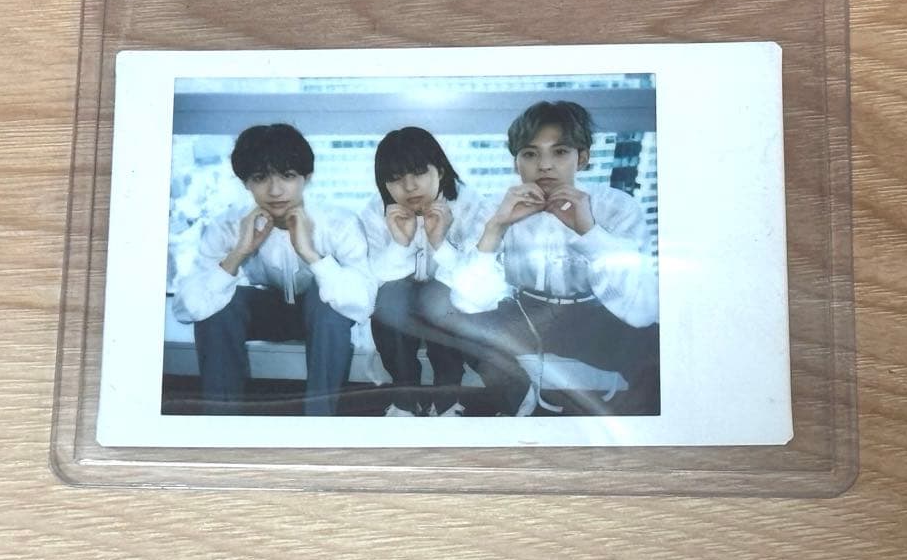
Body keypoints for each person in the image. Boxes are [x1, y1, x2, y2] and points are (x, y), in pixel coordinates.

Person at [421, 100, 660, 416]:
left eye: (559, 152)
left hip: (593, 315)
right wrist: (496, 228)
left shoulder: (617, 207)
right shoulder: (496, 207)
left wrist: (589, 232)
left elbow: (642, 311)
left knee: (656, 343)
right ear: (516, 163)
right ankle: (516, 395)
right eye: (530, 154)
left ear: (582, 158)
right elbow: (469, 302)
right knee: (444, 309)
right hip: (523, 312)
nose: (544, 165)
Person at [172, 124, 375, 416]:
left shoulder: (338, 223)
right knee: (216, 305)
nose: (275, 190)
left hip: (321, 319)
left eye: (288, 176)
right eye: (260, 178)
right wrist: (238, 253)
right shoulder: (228, 225)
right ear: (246, 183)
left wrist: (312, 255)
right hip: (267, 312)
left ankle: (320, 421)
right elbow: (186, 308)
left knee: (327, 302)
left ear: (307, 177)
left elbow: (363, 303)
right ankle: (221, 423)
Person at [360, 127, 492, 417]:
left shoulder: (472, 206)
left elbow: (476, 281)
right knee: (388, 300)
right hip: (401, 296)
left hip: (450, 297)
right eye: (396, 178)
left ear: (440, 171)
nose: (409, 187)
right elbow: (370, 281)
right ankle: (405, 397)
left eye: (419, 172)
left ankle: (447, 398)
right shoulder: (374, 211)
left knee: (440, 298)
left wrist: (440, 243)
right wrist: (400, 244)